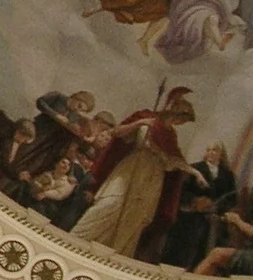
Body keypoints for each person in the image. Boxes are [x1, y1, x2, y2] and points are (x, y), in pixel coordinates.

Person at [71, 86, 197, 260]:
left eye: (182, 121)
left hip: (151, 179)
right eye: (180, 118)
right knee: (109, 205)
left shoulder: (170, 135)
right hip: (130, 169)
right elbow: (117, 132)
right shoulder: (145, 116)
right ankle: (73, 244)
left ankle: (114, 261)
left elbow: (175, 161)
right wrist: (140, 123)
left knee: (133, 220)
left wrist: (197, 174)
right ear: (172, 112)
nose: (179, 123)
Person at [161, 142, 235, 268]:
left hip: (212, 219)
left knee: (204, 251)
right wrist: (195, 201)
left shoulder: (227, 175)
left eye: (215, 150)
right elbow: (180, 191)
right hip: (190, 216)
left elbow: (232, 197)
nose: (211, 153)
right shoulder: (195, 168)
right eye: (208, 149)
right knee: (183, 248)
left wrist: (218, 207)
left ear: (221, 155)